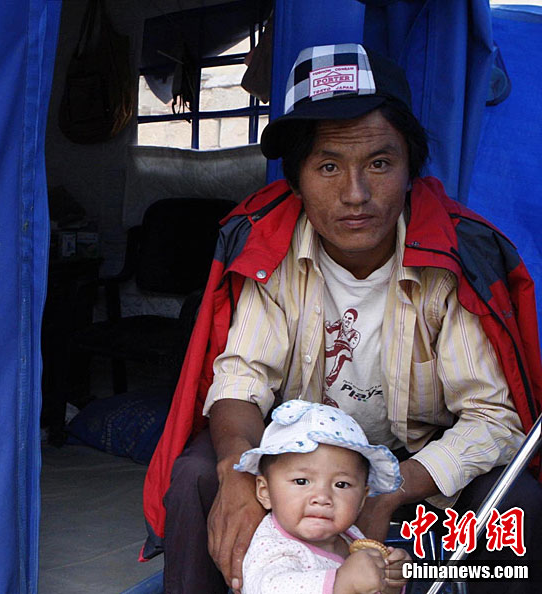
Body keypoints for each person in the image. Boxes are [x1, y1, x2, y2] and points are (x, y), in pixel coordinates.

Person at [139, 43, 542, 594]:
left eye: (380, 163)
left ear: (410, 170)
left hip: (416, 467)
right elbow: (240, 380)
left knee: (515, 501)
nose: (355, 194)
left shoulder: (450, 260)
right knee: (195, 474)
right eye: (328, 166)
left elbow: (494, 419)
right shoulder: (270, 251)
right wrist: (237, 469)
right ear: (296, 179)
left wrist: (391, 488)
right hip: (299, 460)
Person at [234, 400, 411, 594]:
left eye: (341, 485)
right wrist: (341, 583)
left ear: (362, 499)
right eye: (301, 481)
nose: (322, 497)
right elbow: (268, 588)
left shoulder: (348, 536)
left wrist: (389, 581)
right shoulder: (274, 549)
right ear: (265, 492)